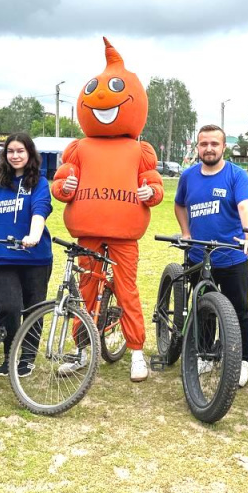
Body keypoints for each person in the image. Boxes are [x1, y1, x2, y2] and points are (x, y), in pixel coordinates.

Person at [51, 38, 164, 382]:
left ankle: (136, 353)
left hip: (124, 235)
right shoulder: (79, 149)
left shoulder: (139, 149)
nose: (103, 97)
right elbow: (60, 184)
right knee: (85, 289)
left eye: (115, 89)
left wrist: (151, 192)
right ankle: (84, 349)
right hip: (87, 233)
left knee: (127, 290)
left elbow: (155, 185)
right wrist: (63, 188)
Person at [174, 125, 248, 387]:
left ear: (224, 147)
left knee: (239, 310)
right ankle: (207, 355)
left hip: (232, 256)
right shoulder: (188, 177)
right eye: (204, 144)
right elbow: (179, 204)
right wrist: (185, 232)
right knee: (203, 309)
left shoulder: (236, 175)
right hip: (199, 255)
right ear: (197, 147)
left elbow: (245, 205)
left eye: (214, 144)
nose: (209, 148)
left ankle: (243, 360)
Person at [0, 133, 53, 377]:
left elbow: (40, 211)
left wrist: (33, 235)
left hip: (35, 257)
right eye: (11, 151)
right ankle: (10, 354)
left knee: (34, 308)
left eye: (20, 151)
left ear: (30, 153)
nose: (15, 155)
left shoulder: (40, 182)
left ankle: (28, 357)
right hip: (4, 256)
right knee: (9, 307)